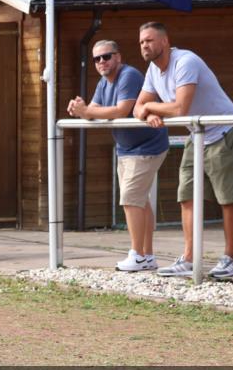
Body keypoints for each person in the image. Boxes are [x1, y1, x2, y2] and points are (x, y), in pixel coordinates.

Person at [133, 21, 233, 278]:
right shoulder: (152, 70)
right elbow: (139, 107)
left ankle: (230, 259)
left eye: (149, 40)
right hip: (197, 134)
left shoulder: (185, 61)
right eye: (141, 42)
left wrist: (151, 108)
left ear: (164, 41)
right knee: (186, 195)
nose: (145, 46)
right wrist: (147, 113)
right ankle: (190, 258)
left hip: (222, 129)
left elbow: (180, 107)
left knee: (227, 198)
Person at [68, 42, 169, 272]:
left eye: (106, 56)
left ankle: (138, 255)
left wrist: (87, 112)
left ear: (118, 57)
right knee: (139, 201)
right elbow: (93, 110)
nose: (102, 62)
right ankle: (148, 256)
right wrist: (80, 108)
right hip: (126, 149)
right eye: (97, 59)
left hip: (148, 145)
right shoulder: (104, 82)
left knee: (130, 198)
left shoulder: (129, 75)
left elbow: (120, 110)